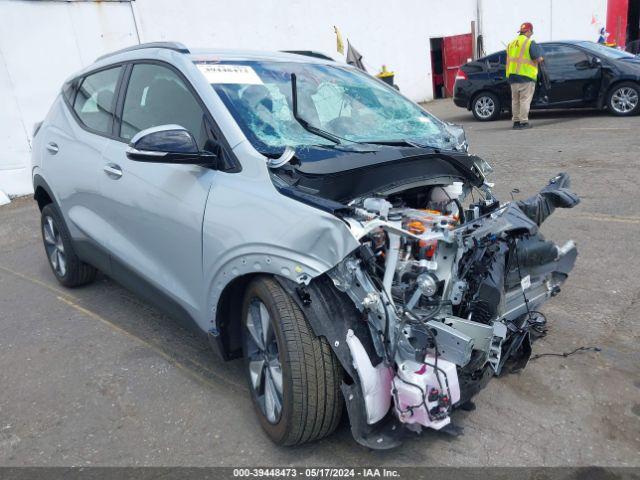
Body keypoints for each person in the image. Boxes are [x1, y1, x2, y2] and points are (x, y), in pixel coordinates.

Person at [506, 22, 544, 129]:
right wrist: (542, 58)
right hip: (526, 76)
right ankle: (524, 122)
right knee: (524, 100)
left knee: (515, 101)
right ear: (529, 31)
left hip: (512, 76)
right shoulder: (529, 42)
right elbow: (537, 58)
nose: (531, 34)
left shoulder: (511, 44)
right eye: (531, 32)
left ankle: (516, 122)